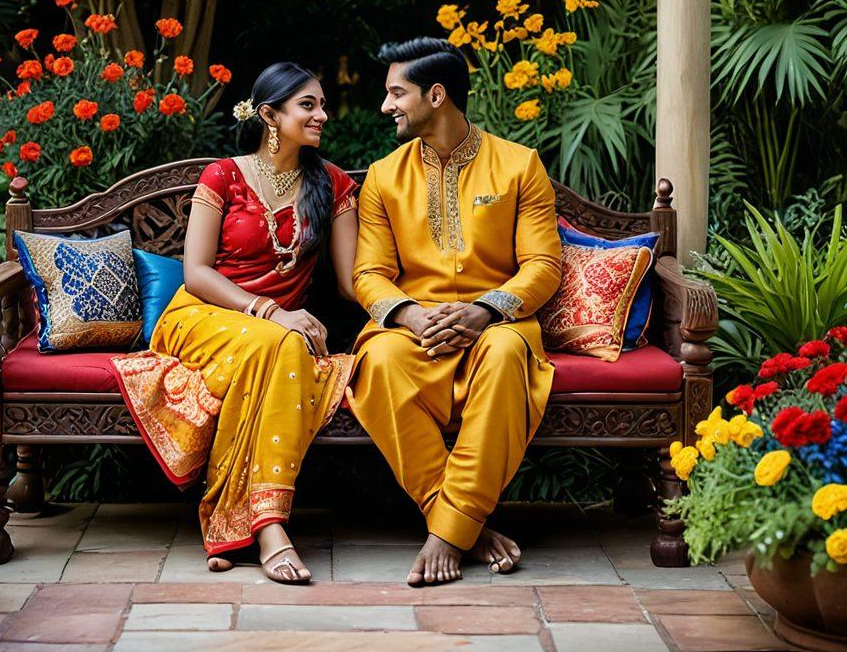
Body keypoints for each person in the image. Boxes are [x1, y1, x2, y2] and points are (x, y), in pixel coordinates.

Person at [111, 63, 358, 584]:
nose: (322, 115)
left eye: (322, 105)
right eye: (308, 105)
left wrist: (415, 305)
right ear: (269, 115)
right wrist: (269, 310)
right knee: (281, 344)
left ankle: (244, 522)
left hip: (273, 338)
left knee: (280, 349)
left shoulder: (332, 185)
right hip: (201, 317)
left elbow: (350, 282)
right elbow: (197, 273)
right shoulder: (222, 176)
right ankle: (269, 530)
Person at [349, 37, 562, 586]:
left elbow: (543, 264)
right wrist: (409, 315)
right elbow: (368, 273)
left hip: (496, 326)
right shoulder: (383, 176)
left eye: (397, 93)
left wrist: (485, 311)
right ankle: (464, 525)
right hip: (413, 329)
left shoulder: (519, 165)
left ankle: (446, 533)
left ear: (436, 95)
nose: (387, 105)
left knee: (507, 355)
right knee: (377, 364)